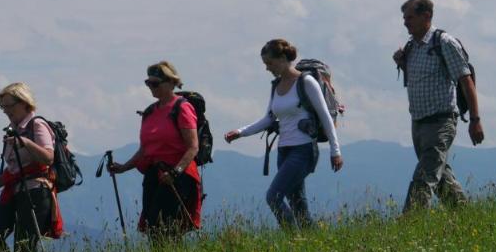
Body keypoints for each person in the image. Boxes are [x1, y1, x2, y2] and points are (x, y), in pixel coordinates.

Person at [223, 39, 343, 228]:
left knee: (273, 197)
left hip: (303, 151)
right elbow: (268, 119)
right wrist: (240, 132)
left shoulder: (306, 82)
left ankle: (292, 241)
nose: (267, 68)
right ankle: (310, 243)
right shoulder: (276, 86)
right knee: (299, 206)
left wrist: (335, 151)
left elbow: (325, 116)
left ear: (282, 58)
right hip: (284, 151)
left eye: (269, 63)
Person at [393, 0, 484, 212]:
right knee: (440, 176)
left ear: (427, 16)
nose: (405, 22)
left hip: (441, 120)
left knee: (425, 176)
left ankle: (410, 223)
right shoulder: (412, 47)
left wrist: (475, 120)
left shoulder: (444, 43)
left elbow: (466, 81)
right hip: (419, 122)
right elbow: (420, 79)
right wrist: (402, 64)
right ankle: (465, 216)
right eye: (404, 18)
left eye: (409, 17)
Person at [108, 61, 202, 241]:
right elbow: (145, 149)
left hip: (178, 176)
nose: (151, 87)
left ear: (170, 83)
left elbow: (193, 147)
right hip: (154, 174)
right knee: (153, 224)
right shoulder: (150, 112)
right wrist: (123, 167)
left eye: (155, 83)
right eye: (148, 83)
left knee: (168, 225)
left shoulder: (182, 108)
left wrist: (176, 172)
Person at [0, 83, 64, 252]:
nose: (6, 111)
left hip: (36, 192)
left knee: (25, 248)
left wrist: (25, 142)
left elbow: (48, 157)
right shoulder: (13, 130)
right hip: (15, 191)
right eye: (3, 107)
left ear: (24, 103)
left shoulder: (37, 125)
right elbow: (13, 170)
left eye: (9, 106)